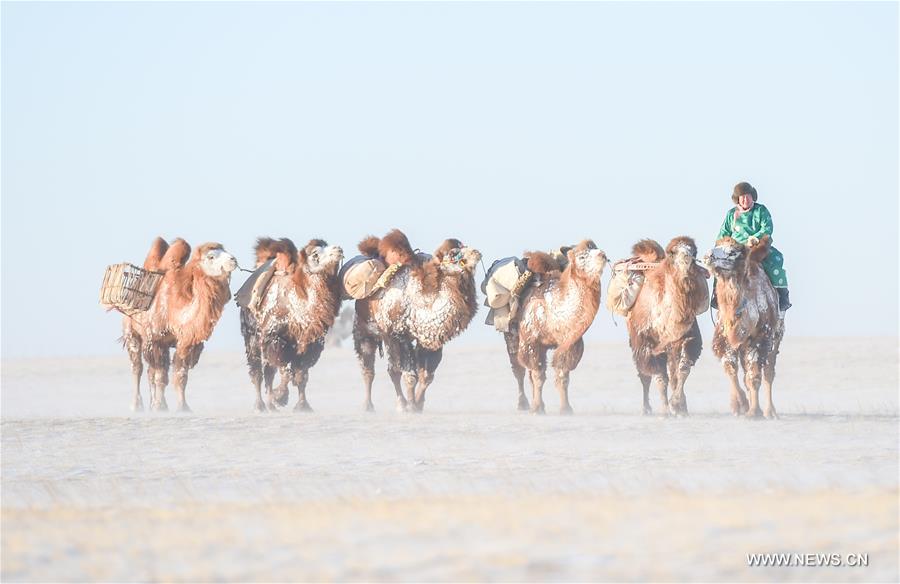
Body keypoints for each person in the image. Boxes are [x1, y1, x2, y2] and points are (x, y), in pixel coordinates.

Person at [712, 181, 791, 311]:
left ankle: (782, 296)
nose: (745, 199)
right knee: (717, 263)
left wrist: (756, 238)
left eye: (747, 196)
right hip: (734, 248)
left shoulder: (761, 210)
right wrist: (720, 245)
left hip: (756, 246)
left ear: (752, 196)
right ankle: (717, 295)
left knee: (775, 260)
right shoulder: (731, 214)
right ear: (737, 199)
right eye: (742, 197)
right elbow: (724, 232)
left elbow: (767, 228)